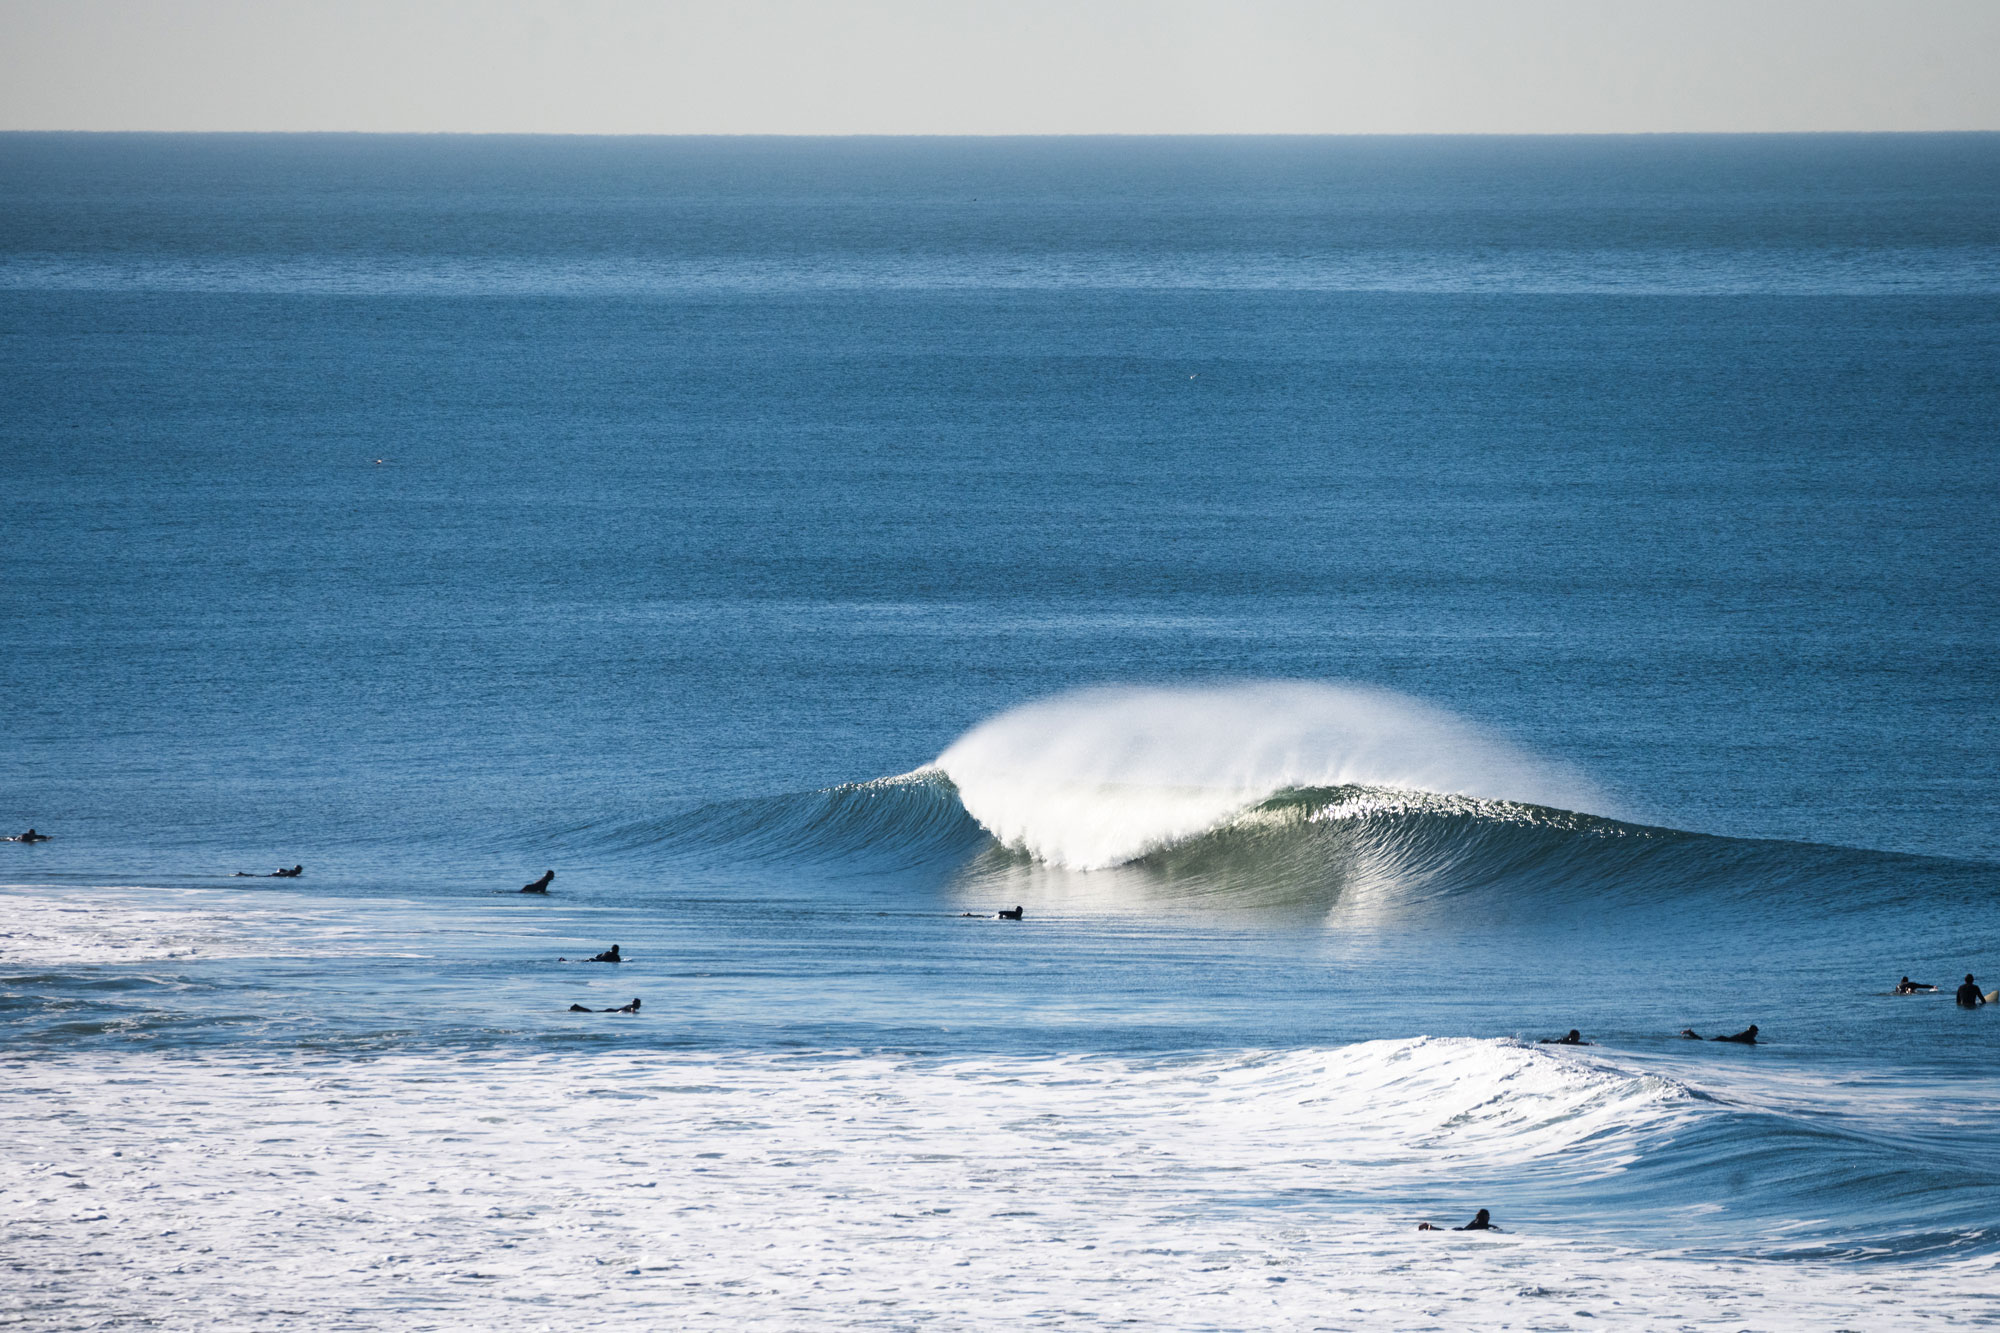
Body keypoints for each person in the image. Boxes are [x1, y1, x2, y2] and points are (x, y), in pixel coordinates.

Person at [1419, 1209, 1501, 1232]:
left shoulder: (1476, 1221)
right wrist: (1496, 1228)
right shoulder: (1480, 1223)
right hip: (1460, 1231)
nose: (1489, 1218)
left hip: (1460, 1230)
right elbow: (1487, 1226)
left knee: (1442, 1231)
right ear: (1485, 1216)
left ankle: (1428, 1227)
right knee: (1442, 1231)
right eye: (1488, 1216)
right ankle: (1427, 1226)